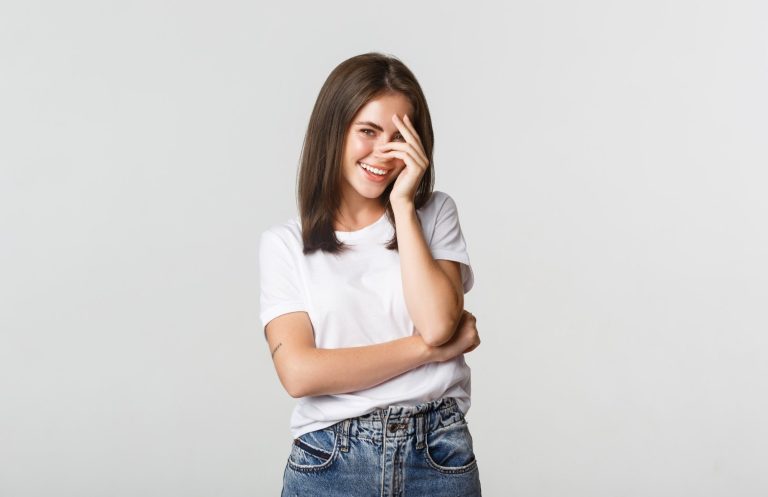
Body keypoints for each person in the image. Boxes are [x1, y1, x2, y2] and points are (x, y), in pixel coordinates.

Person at [258, 52, 482, 496]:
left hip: (437, 454)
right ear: (334, 130)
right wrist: (425, 351)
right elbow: (299, 373)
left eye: (400, 137)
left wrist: (403, 206)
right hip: (330, 460)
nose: (385, 151)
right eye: (368, 131)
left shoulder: (435, 214)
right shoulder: (284, 244)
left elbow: (439, 323)